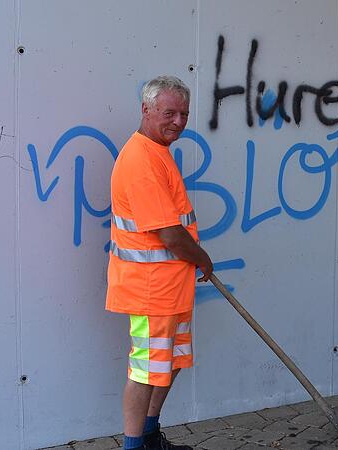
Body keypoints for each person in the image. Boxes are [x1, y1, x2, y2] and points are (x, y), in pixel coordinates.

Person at [106, 75, 214, 450]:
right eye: (169, 112)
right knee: (145, 369)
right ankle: (134, 446)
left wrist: (195, 264)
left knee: (167, 364)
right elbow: (168, 233)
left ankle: (150, 436)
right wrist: (204, 259)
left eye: (184, 114)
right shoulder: (140, 159)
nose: (178, 122)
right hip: (149, 289)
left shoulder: (158, 152)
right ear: (146, 109)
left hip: (170, 288)